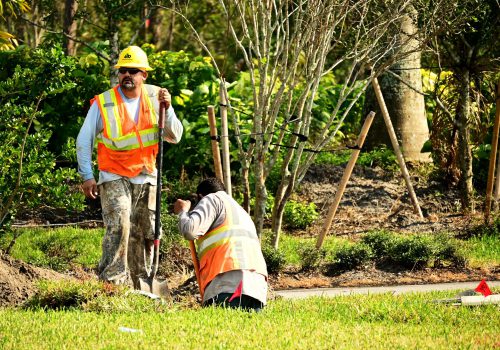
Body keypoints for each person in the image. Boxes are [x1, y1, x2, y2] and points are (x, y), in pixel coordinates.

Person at [76, 46, 183, 288]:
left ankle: (143, 283)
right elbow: (84, 141)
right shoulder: (104, 102)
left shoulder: (157, 98)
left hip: (146, 175)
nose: (127, 75)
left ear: (143, 74)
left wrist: (169, 109)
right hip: (113, 174)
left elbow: (174, 136)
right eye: (123, 70)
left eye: (133, 70)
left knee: (147, 231)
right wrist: (87, 176)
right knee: (120, 225)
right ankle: (112, 283)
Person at [174, 177, 268, 311]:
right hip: (256, 286)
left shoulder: (211, 199)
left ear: (200, 196)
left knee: (222, 330)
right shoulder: (241, 211)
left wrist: (183, 211)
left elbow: (190, 230)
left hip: (228, 282)